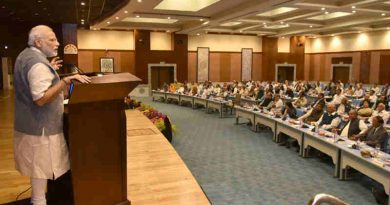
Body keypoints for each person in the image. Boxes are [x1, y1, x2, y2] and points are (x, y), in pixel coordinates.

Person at [13, 25, 91, 205]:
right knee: (41, 171)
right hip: (41, 130)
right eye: (52, 39)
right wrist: (65, 81)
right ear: (38, 42)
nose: (57, 43)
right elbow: (40, 99)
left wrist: (49, 69)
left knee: (38, 173)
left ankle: (37, 200)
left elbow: (34, 82)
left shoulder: (27, 56)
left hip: (30, 127)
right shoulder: (37, 64)